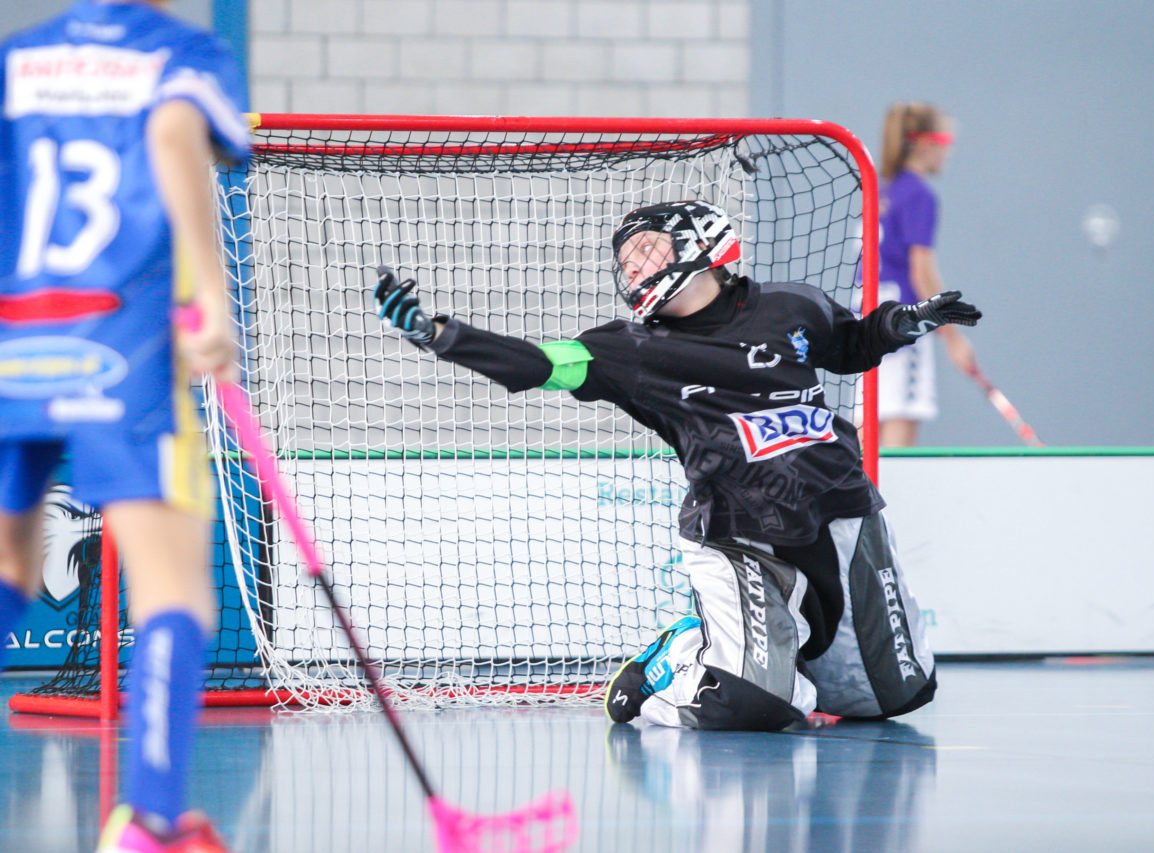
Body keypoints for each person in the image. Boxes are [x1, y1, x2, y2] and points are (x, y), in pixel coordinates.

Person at [373, 199, 980, 731]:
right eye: (626, 262)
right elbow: (538, 363)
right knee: (752, 707)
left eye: (645, 250)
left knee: (896, 698)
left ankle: (772, 652)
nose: (631, 267)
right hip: (738, 534)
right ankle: (672, 663)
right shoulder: (631, 349)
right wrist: (441, 334)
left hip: (842, 512)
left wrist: (904, 322)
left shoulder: (791, 305)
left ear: (700, 244)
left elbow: (848, 346)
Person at [0, 2, 249, 850]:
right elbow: (175, 138)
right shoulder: (178, 52)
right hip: (121, 350)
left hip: (18, 341)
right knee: (174, 590)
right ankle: (150, 821)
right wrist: (212, 299)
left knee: (8, 566)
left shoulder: (20, 55)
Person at [874, 101, 978, 447]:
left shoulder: (883, 189)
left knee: (870, 423)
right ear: (924, 143)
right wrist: (953, 338)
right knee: (899, 424)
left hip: (868, 317)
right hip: (903, 320)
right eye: (946, 142)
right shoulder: (919, 194)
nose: (948, 152)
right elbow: (922, 272)